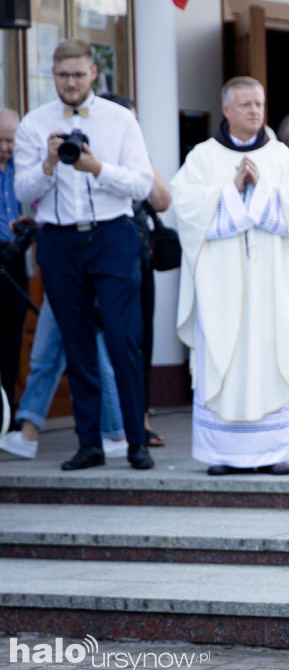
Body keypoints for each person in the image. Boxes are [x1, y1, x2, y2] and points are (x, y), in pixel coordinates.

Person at [14, 38, 154, 471]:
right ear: (51, 75)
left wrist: (98, 169)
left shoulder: (119, 120)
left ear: (93, 73)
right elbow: (23, 193)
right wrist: (50, 165)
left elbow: (142, 184)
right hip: (57, 240)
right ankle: (89, 443)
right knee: (76, 343)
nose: (70, 83)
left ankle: (135, 441)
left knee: (123, 339)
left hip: (113, 235)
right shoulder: (34, 125)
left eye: (78, 74)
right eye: (62, 75)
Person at [171, 76, 289, 476]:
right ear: (227, 111)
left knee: (272, 355)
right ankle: (220, 453)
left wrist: (264, 188)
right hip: (219, 287)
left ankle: (272, 451)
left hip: (272, 286)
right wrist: (232, 191)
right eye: (246, 104)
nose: (255, 111)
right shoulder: (202, 157)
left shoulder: (282, 158)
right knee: (223, 356)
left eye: (259, 103)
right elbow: (183, 208)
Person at [100, 92, 173, 448]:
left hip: (138, 256)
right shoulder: (91, 156)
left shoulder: (135, 157)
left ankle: (139, 420)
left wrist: (140, 157)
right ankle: (110, 423)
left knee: (140, 339)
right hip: (99, 257)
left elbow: (162, 199)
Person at [0, 297, 126, 459]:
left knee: (94, 354)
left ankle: (115, 435)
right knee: (45, 355)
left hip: (85, 278)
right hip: (58, 277)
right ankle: (28, 434)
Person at [0, 109, 26, 416]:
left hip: (17, 256)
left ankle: (7, 410)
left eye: (11, 140)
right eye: (1, 140)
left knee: (12, 336)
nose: (7, 147)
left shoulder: (22, 168)